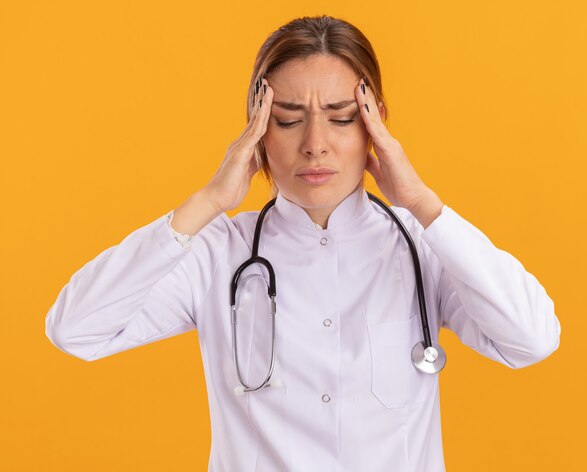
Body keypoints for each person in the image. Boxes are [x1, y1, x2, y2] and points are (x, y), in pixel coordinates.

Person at [45, 14, 561, 472]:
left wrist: (424, 204)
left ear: (375, 121)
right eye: (289, 119)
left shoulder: (420, 246)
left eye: (341, 117)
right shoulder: (215, 253)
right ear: (258, 124)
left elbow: (531, 339)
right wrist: (206, 202)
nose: (316, 143)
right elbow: (76, 329)